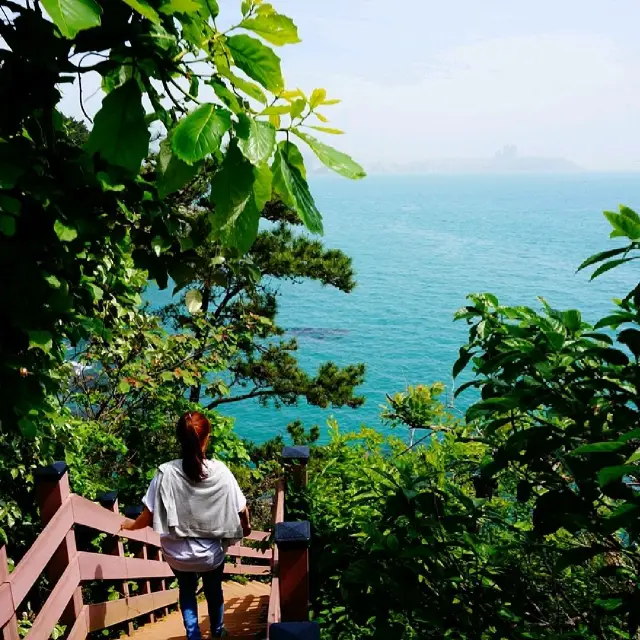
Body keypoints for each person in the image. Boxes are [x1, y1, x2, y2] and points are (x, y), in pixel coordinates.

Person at [121, 411, 251, 639]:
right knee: (213, 591)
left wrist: (129, 526)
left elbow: (147, 516)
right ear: (206, 438)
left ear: (179, 439)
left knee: (187, 590)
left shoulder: (165, 472)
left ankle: (193, 635)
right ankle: (218, 631)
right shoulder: (221, 472)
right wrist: (246, 528)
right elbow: (242, 509)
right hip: (210, 554)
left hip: (177, 554)